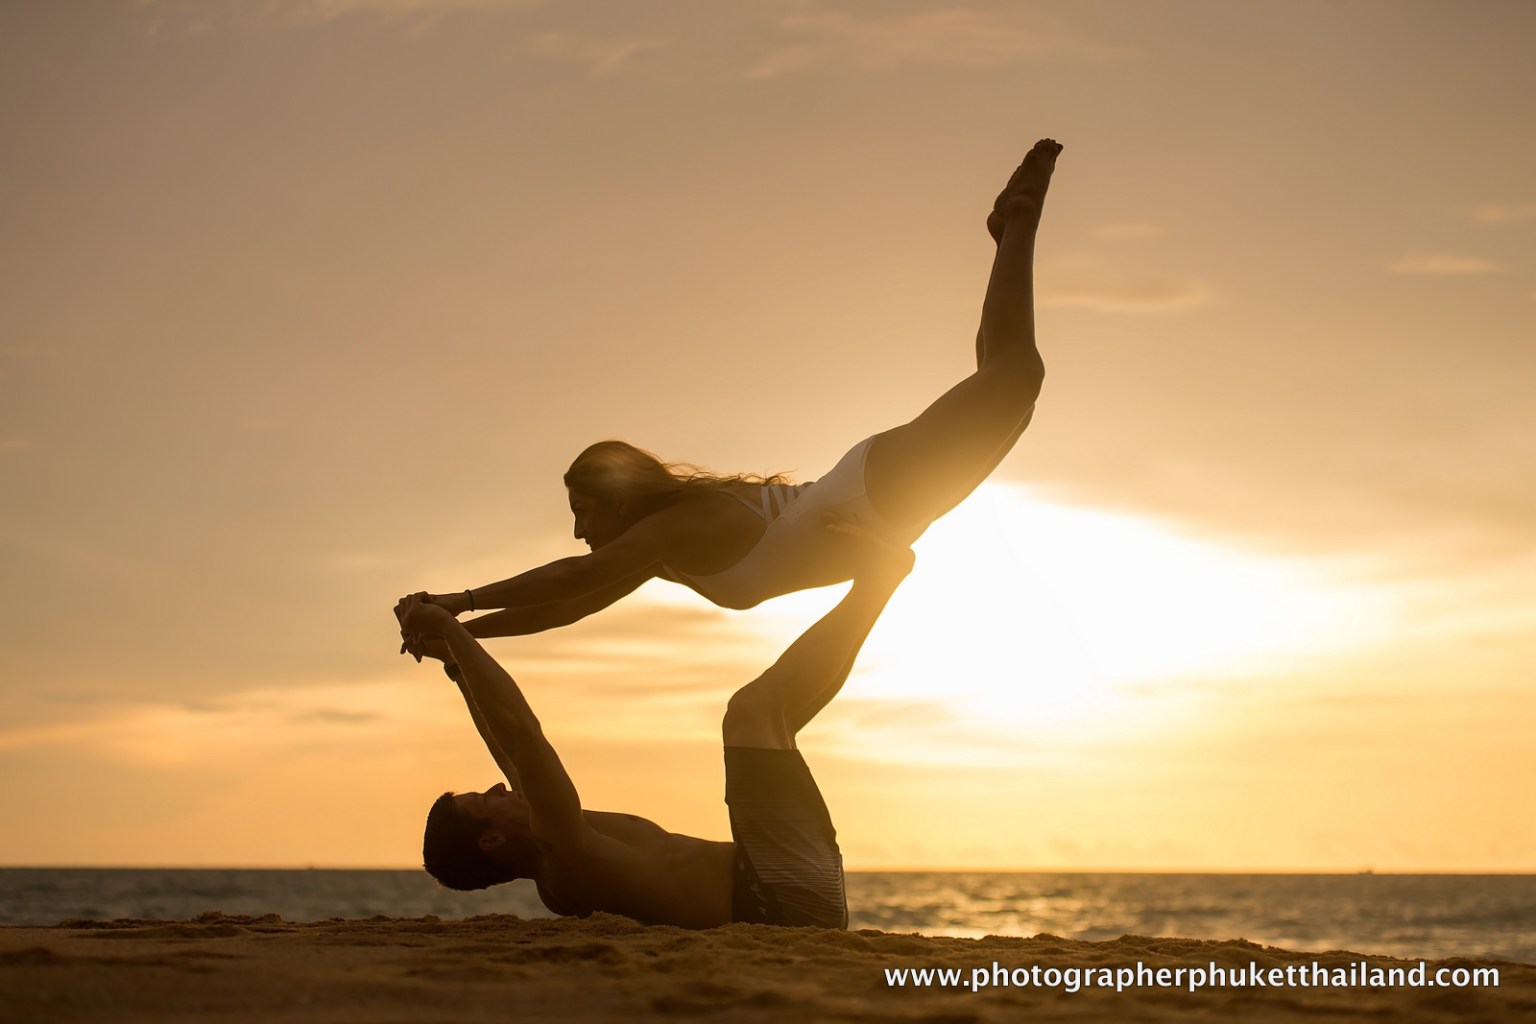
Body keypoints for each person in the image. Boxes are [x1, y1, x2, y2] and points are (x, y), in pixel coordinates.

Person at [402, 138, 1060, 642]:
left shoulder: (687, 524)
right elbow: (570, 605)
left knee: (1013, 380)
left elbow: (574, 578)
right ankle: (1009, 233)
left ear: (621, 501)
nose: (577, 530)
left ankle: (1018, 223)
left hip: (870, 494)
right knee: (1006, 384)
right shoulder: (659, 552)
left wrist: (456, 604)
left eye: (583, 509)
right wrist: (459, 638)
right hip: (888, 511)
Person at [405, 517, 913, 928]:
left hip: (786, 888)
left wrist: (455, 664)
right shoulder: (560, 851)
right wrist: (453, 628)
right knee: (752, 715)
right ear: (491, 841)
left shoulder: (558, 850)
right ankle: (879, 578)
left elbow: (507, 748)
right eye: (483, 800)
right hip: (780, 896)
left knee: (775, 717)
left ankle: (880, 579)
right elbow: (522, 735)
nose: (496, 786)